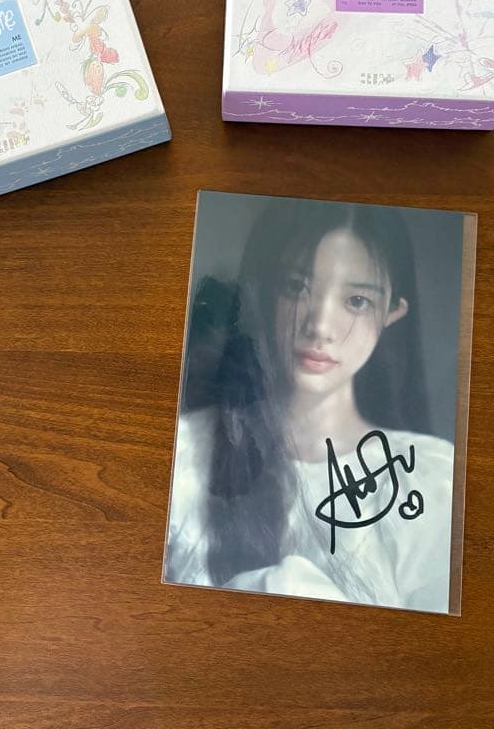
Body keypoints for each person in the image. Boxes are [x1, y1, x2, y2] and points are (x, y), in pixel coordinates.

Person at [164, 198, 455, 613]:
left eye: (357, 301)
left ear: (392, 313)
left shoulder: (430, 480)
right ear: (265, 290)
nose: (319, 326)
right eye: (296, 287)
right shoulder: (181, 455)